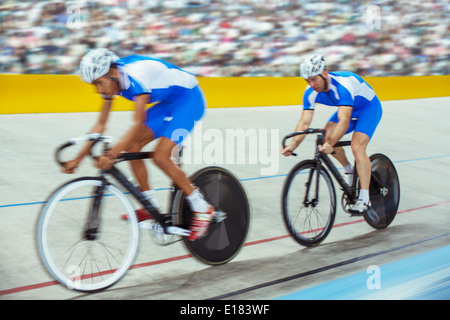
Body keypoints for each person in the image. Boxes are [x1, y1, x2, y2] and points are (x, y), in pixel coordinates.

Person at [62, 48, 214, 241]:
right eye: (95, 85)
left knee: (161, 157)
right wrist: (79, 158)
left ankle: (202, 208)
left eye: (99, 83)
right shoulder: (114, 81)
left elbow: (136, 124)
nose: (99, 90)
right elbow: (100, 124)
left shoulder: (136, 75)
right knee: (132, 146)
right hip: (169, 102)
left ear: (113, 72)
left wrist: (112, 154)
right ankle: (149, 206)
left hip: (190, 100)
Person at [281, 54, 382, 213]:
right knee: (324, 137)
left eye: (314, 79)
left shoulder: (343, 86)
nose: (311, 84)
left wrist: (330, 144)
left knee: (357, 146)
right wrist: (293, 145)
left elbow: (344, 120)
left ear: (325, 73)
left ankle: (365, 199)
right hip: (346, 109)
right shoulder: (310, 92)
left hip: (368, 109)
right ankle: (349, 170)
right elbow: (304, 122)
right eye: (307, 81)